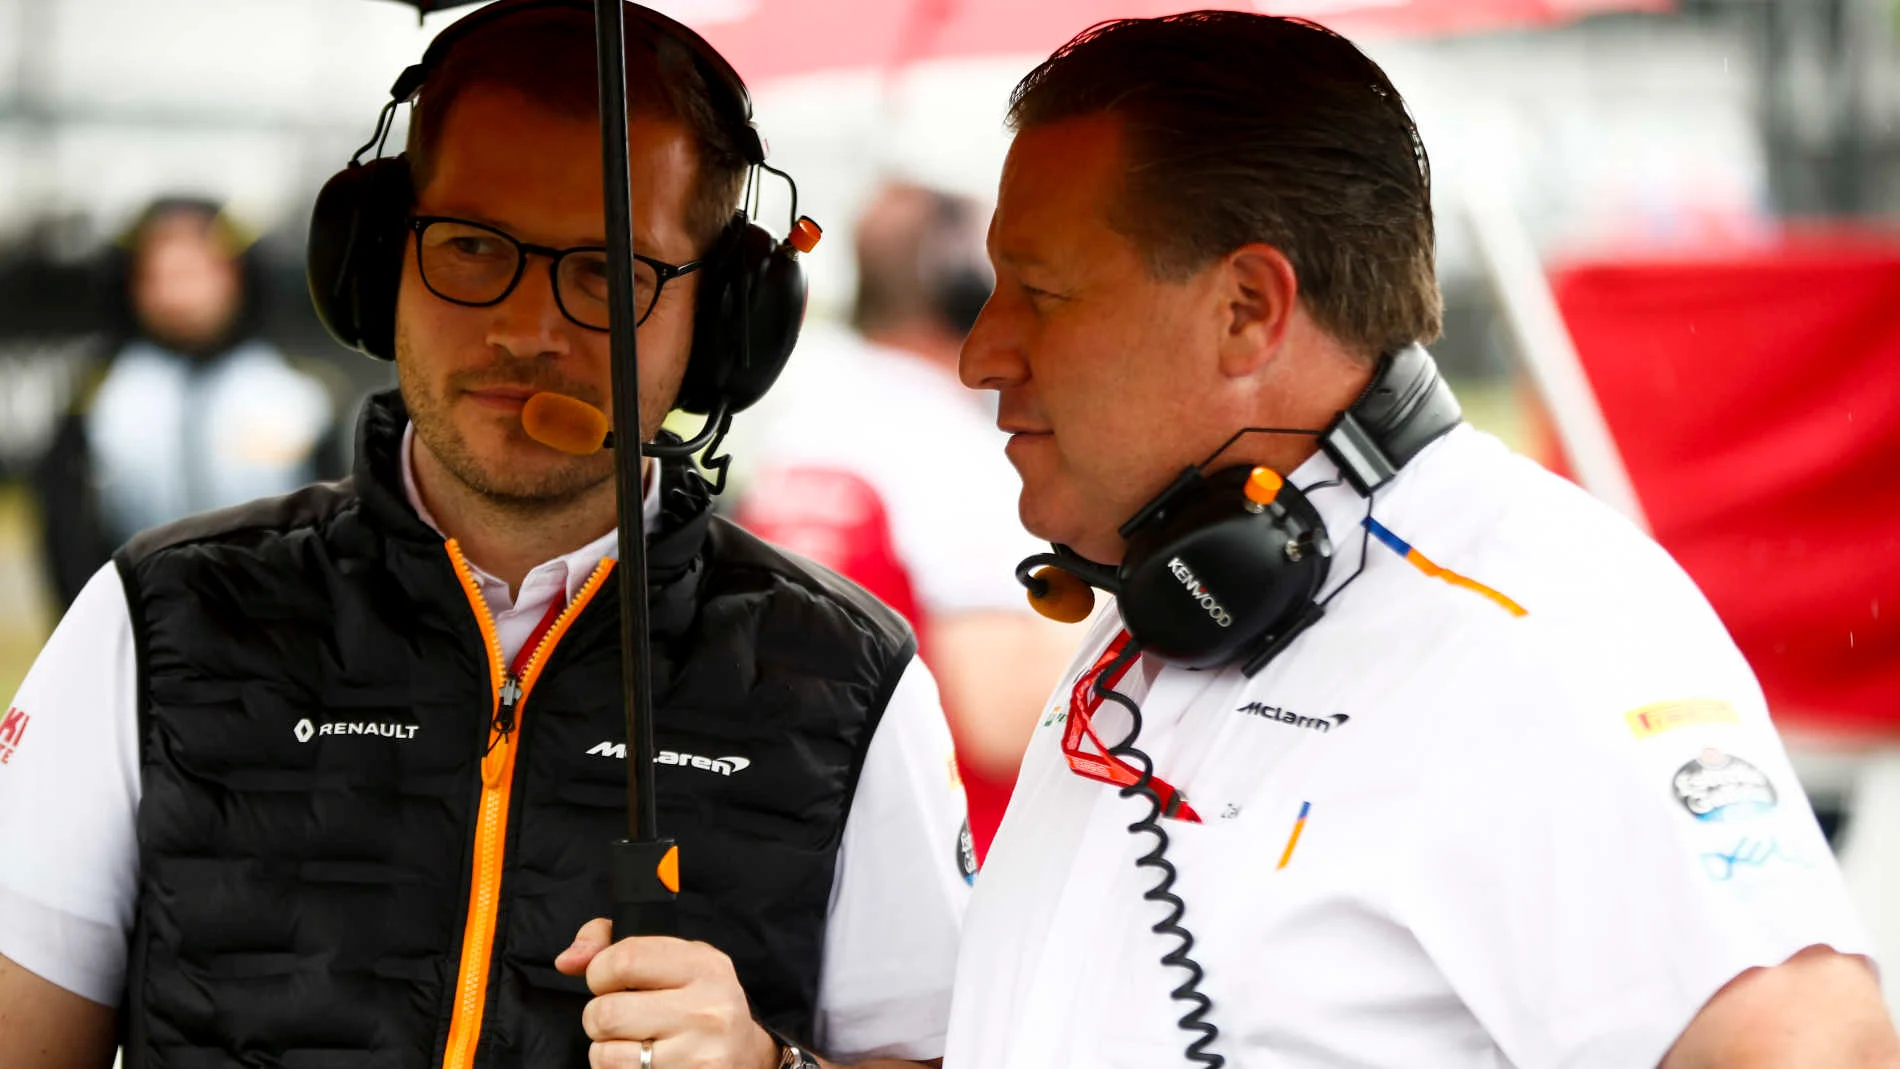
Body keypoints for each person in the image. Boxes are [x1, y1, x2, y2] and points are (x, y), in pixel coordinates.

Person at [0, 4, 967, 1068]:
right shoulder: (157, 617)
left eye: (607, 271)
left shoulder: (848, 680)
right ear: (376, 261)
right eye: (470, 246)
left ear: (728, 320)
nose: (528, 329)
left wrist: (769, 1065)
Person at [942, 13, 1899, 1068]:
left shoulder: (1539, 630)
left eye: (1040, 293)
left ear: (1247, 311)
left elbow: (1810, 1045)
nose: (983, 352)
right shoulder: (1195, 584)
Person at [735, 182, 1079, 856]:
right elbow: (1002, 720)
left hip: (808, 837)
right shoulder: (949, 454)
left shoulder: (803, 427)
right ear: (965, 290)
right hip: (946, 865)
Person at [29, 197, 340, 610]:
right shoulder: (99, 397)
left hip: (281, 635)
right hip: (142, 636)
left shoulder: (297, 393)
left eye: (196, 272)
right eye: (159, 275)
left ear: (237, 276)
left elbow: (340, 534)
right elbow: (66, 536)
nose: (178, 293)